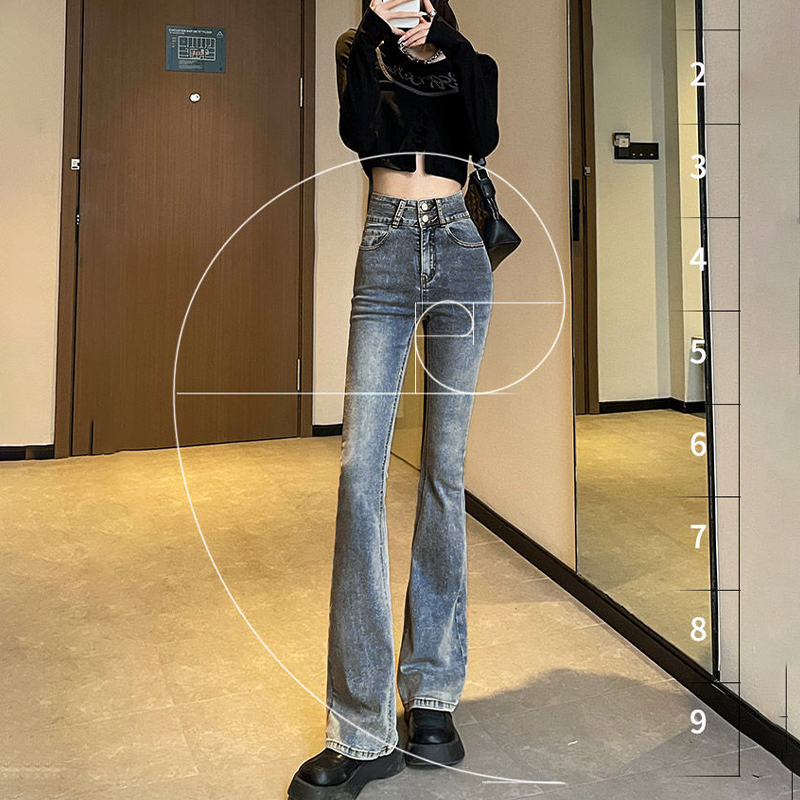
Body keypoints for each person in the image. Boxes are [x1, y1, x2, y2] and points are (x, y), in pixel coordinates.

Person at [288, 0, 499, 796]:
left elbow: (481, 136)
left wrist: (449, 47)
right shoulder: (359, 50)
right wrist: (378, 36)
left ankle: (433, 695)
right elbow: (359, 137)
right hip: (385, 246)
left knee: (445, 470)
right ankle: (362, 728)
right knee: (360, 473)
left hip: (459, 248)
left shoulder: (471, 62)